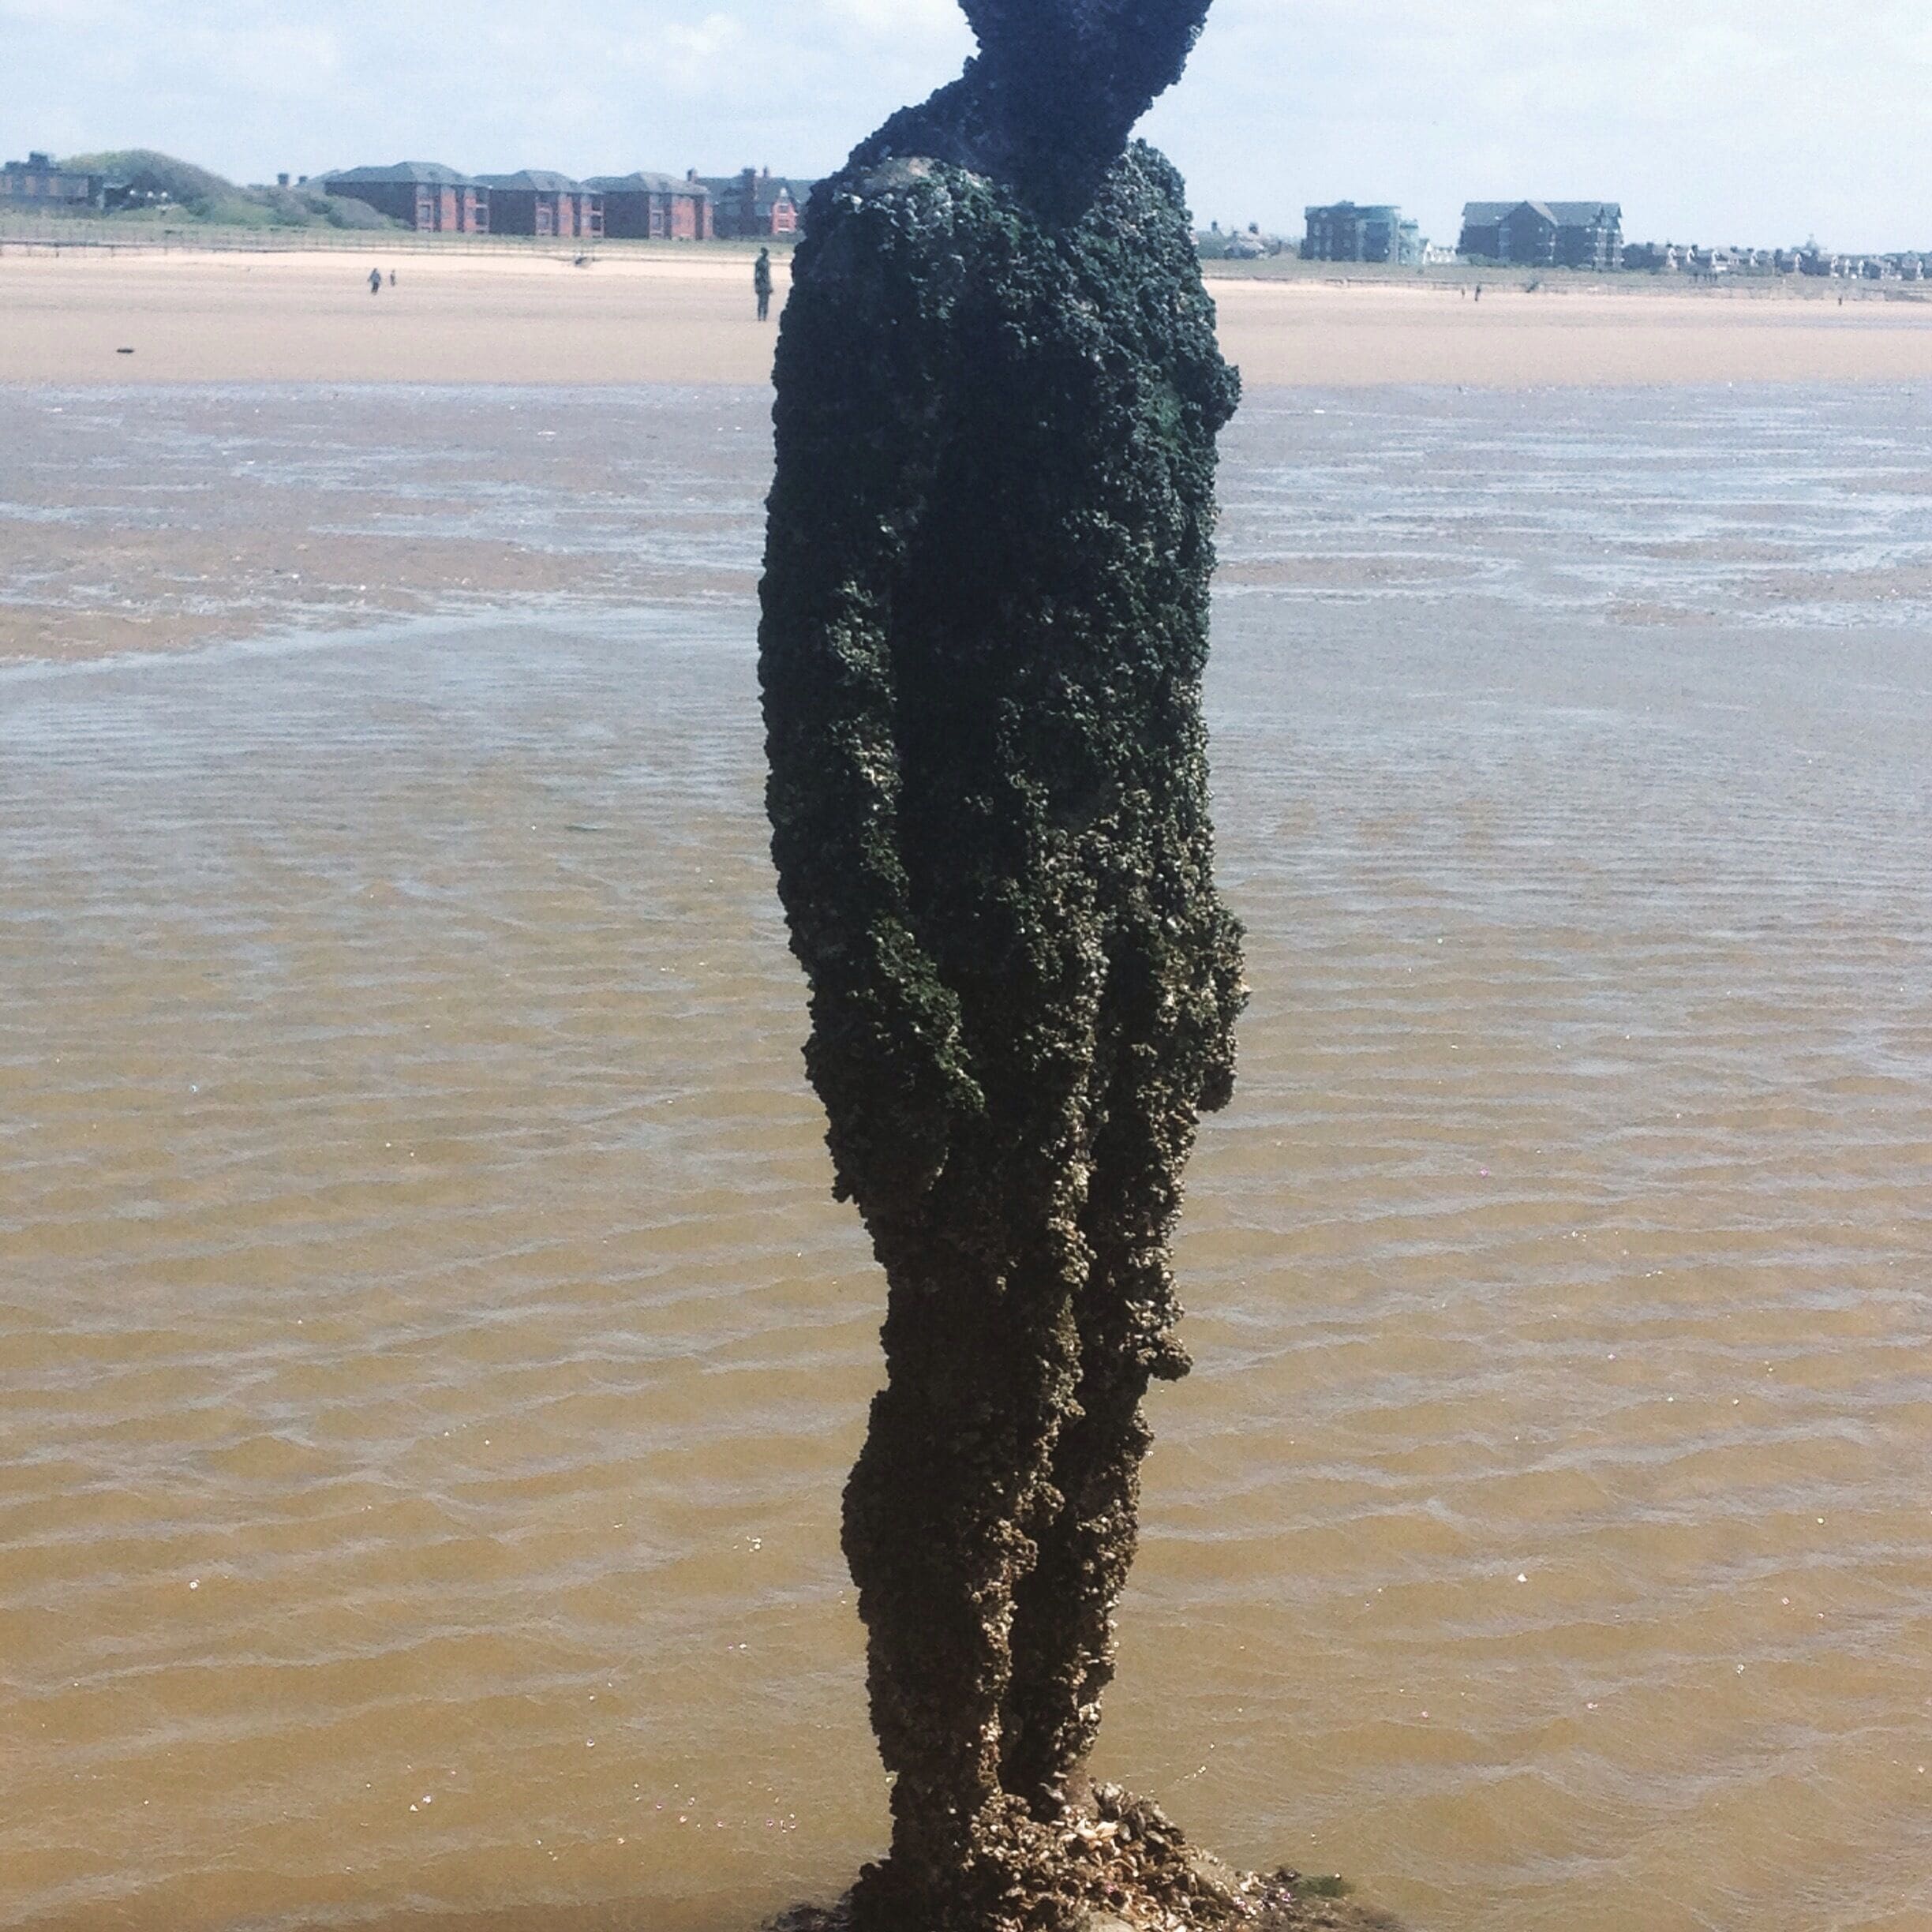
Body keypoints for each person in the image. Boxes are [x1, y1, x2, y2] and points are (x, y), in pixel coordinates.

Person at [753, 246, 773, 322]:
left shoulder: (767, 261)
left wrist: (770, 285)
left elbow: (768, 275)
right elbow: (756, 275)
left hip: (766, 283)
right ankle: (760, 317)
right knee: (761, 301)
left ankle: (764, 317)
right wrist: (756, 286)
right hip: (761, 284)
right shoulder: (759, 262)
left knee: (766, 302)